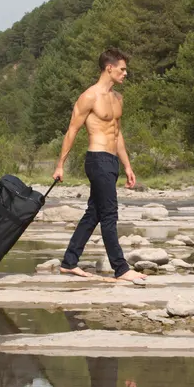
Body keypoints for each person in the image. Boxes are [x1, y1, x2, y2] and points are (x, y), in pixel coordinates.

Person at [53, 47, 146, 283]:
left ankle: (69, 262)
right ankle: (121, 268)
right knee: (109, 214)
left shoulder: (117, 98)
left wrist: (127, 166)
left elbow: (118, 134)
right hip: (97, 160)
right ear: (109, 68)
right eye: (123, 69)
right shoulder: (89, 97)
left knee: (93, 213)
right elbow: (72, 131)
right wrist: (60, 165)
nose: (126, 73)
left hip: (112, 161)